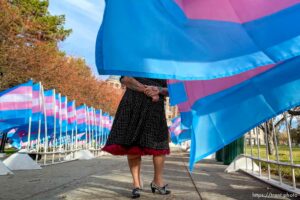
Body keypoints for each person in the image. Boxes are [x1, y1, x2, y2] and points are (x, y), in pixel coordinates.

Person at [102, 76, 171, 199]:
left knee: (159, 143)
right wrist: (147, 90)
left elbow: (173, 90)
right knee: (132, 143)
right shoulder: (134, 58)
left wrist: (158, 90)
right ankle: (136, 183)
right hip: (133, 102)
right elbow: (124, 79)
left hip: (155, 105)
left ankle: (158, 181)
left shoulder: (165, 65)